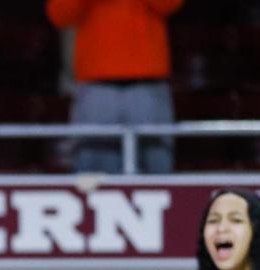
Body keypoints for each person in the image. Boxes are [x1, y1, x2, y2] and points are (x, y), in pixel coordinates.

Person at [46, 0, 183, 174]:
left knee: (155, 170)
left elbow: (170, 5)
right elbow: (60, 15)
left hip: (148, 83)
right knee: (94, 175)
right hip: (96, 86)